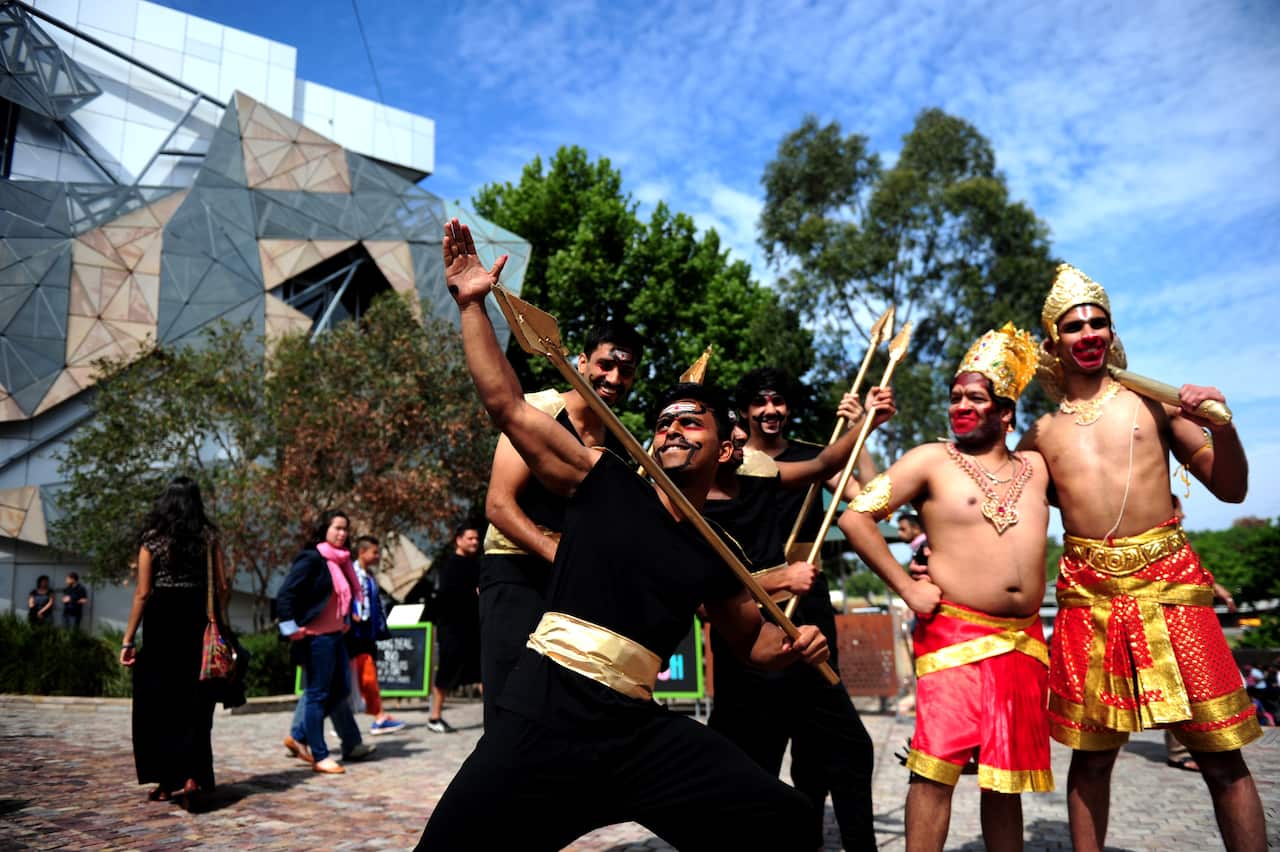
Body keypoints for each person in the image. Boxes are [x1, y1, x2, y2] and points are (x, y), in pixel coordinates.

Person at [417, 218, 827, 850]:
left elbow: (752, 646)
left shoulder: (718, 549)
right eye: (663, 423)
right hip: (544, 709)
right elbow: (507, 405)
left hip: (636, 734)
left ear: (727, 448)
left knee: (787, 822)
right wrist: (473, 304)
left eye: (692, 422)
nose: (672, 430)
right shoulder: (603, 479)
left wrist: (799, 647)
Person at [1019, 263, 1263, 852]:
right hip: (1091, 603)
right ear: (1056, 342)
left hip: (1171, 593)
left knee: (1220, 757)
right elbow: (999, 506)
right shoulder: (1042, 435)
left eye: (1098, 323)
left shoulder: (1156, 406)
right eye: (1074, 327)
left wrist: (1220, 426)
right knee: (1092, 761)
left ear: (1111, 332)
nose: (1088, 334)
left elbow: (1231, 489)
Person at [839, 323, 1052, 852]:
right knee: (935, 767)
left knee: (1006, 781)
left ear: (1005, 413)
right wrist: (908, 590)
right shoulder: (931, 459)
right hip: (954, 635)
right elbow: (857, 518)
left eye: (976, 398)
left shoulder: (1039, 468)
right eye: (955, 396)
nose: (960, 405)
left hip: (1024, 641)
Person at [702, 389, 893, 850]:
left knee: (840, 747)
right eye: (758, 404)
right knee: (750, 755)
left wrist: (863, 425)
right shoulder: (680, 496)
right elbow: (702, 597)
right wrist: (775, 579)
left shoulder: (771, 471)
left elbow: (858, 487)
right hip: (745, 630)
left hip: (805, 614)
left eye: (777, 401)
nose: (769, 411)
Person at [479, 319, 640, 726]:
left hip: (575, 589)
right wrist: (562, 555)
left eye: (626, 370)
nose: (614, 377)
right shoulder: (536, 409)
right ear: (582, 362)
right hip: (516, 574)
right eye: (606, 365)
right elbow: (499, 506)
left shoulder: (622, 444)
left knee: (564, 711)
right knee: (508, 711)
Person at [119, 476, 227, 805]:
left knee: (158, 705)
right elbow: (222, 586)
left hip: (162, 624)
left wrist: (128, 639)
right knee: (195, 704)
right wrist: (219, 623)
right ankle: (193, 777)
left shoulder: (152, 540)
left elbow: (142, 592)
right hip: (196, 621)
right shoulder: (208, 538)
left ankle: (165, 782)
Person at [276, 509, 368, 775]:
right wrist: (290, 627)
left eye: (345, 529)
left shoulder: (343, 561)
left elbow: (343, 595)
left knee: (340, 692)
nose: (342, 533)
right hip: (316, 639)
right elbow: (286, 594)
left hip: (337, 635)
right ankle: (320, 754)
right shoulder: (313, 558)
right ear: (325, 529)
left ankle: (301, 733)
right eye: (337, 528)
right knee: (317, 695)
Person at [428, 523, 483, 733]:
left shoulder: (478, 564)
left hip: (474, 629)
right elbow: (447, 599)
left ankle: (495, 719)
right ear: (458, 540)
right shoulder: (449, 566)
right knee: (446, 673)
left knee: (484, 672)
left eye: (476, 538)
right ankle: (434, 717)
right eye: (470, 538)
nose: (474, 542)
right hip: (453, 630)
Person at [347, 535, 404, 735]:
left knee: (364, 676)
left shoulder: (368, 575)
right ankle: (377, 716)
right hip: (356, 634)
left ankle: (372, 715)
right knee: (364, 676)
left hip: (367, 634)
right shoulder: (352, 574)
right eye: (375, 552)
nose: (378, 556)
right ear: (362, 552)